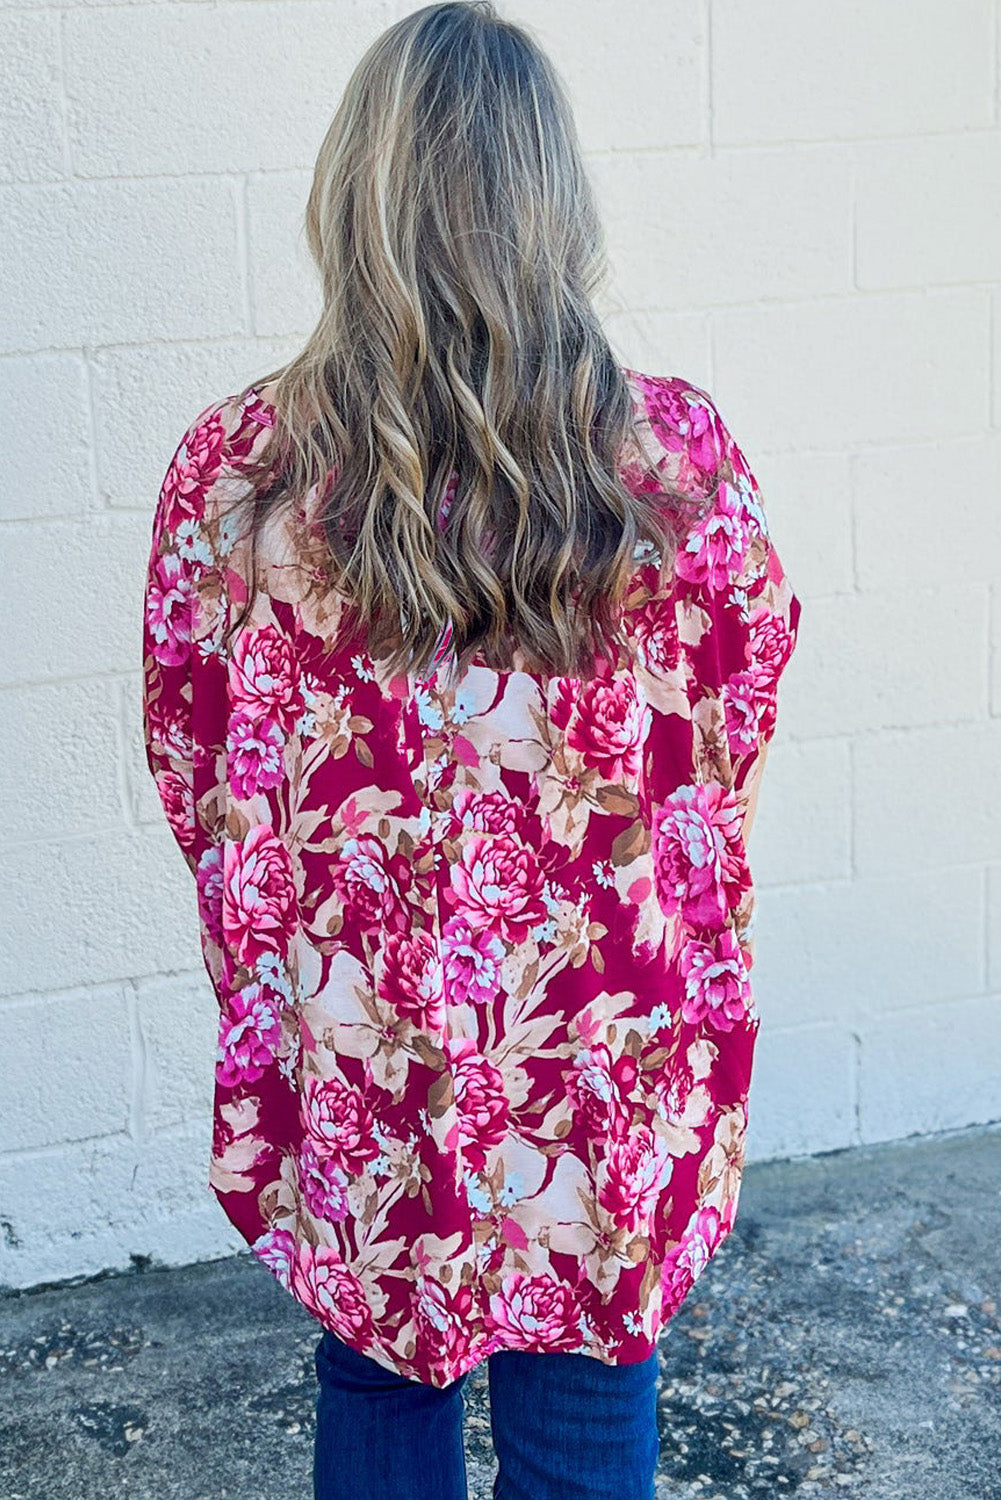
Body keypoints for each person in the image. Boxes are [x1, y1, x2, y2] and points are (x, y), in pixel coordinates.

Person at [140, 3, 802, 1497]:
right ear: (551, 207)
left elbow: (190, 756)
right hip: (599, 1035)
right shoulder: (670, 465)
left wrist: (303, 937)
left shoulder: (244, 476)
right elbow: (737, 722)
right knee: (581, 1391)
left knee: (380, 1372)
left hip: (365, 1025)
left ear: (350, 199)